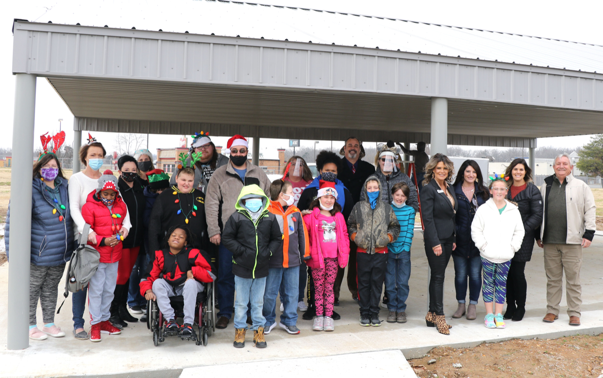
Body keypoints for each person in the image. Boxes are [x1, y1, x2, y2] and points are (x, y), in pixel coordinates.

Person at [5, 143, 74, 340]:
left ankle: (49, 323)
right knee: (32, 290)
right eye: (46, 167)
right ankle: (30, 325)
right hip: (39, 253)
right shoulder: (30, 189)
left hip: (60, 252)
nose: (50, 170)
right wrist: (13, 254)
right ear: (39, 168)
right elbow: (13, 223)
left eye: (54, 166)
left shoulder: (65, 187)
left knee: (51, 288)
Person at [205, 134, 271, 330]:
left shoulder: (258, 173)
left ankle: (250, 313)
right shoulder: (219, 174)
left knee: (252, 275)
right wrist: (214, 230)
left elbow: (268, 200)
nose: (238, 154)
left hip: (254, 235)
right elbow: (211, 204)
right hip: (228, 234)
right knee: (226, 274)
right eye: (235, 151)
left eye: (242, 151)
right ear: (229, 152)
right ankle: (225, 312)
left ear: (247, 152)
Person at [68, 134, 131, 340]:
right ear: (85, 157)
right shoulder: (77, 179)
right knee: (84, 283)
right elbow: (75, 209)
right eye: (93, 154)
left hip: (112, 245)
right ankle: (80, 323)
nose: (97, 157)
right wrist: (91, 234)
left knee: (106, 286)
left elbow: (122, 208)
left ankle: (103, 320)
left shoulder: (108, 181)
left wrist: (125, 228)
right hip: (89, 240)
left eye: (100, 155)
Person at [537, 154, 596, 327]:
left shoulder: (581, 186)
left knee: (573, 280)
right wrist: (538, 235)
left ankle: (574, 313)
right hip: (550, 241)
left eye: (565, 164)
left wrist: (589, 233)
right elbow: (540, 211)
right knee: (553, 279)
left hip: (573, 240)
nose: (561, 166)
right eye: (558, 164)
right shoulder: (546, 185)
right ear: (554, 166)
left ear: (571, 167)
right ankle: (552, 310)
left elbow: (590, 209)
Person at [222, 184, 282, 349]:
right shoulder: (237, 217)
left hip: (261, 268)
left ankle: (258, 331)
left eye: (257, 199)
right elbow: (227, 238)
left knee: (257, 302)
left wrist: (268, 252)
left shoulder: (269, 217)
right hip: (241, 267)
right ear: (243, 200)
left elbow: (277, 238)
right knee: (241, 302)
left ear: (263, 200)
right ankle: (240, 331)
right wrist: (241, 251)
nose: (253, 202)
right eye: (249, 199)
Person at [297, 150, 353, 317]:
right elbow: (300, 213)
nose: (330, 173)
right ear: (320, 170)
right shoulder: (310, 190)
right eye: (327, 170)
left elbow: (348, 217)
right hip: (315, 247)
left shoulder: (344, 191)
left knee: (332, 279)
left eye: (334, 171)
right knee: (313, 278)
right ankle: (312, 306)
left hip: (333, 248)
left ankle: (330, 306)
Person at [471, 174, 525, 329]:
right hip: (488, 255)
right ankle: (489, 315)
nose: (499, 192)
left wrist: (513, 247)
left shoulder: (513, 210)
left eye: (502, 189)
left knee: (501, 284)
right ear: (491, 190)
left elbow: (519, 231)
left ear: (506, 191)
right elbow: (476, 230)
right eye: (496, 189)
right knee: (488, 284)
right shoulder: (483, 209)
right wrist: (483, 246)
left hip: (506, 256)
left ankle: (498, 315)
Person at [141, 226, 215, 337]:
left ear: (185, 242)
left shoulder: (194, 253)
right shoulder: (160, 255)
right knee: (157, 283)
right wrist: (147, 290)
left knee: (190, 283)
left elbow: (212, 274)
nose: (176, 238)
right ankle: (170, 320)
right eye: (173, 236)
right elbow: (148, 276)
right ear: (168, 239)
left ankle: (188, 323)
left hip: (190, 287)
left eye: (181, 237)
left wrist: (194, 272)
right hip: (170, 287)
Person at [81, 170, 128, 342]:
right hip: (97, 256)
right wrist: (102, 241)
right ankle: (95, 324)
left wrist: (121, 235)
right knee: (96, 290)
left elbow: (124, 225)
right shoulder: (89, 207)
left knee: (109, 290)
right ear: (99, 191)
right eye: (105, 193)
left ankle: (105, 320)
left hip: (114, 255)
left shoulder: (121, 205)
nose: (108, 196)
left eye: (112, 194)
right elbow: (86, 232)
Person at [348, 175, 400, 327]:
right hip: (363, 252)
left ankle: (374, 312)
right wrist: (355, 236)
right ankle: (364, 312)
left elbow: (395, 226)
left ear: (380, 189)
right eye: (369, 188)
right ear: (365, 189)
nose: (372, 190)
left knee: (377, 283)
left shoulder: (386, 208)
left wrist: (388, 237)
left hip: (381, 252)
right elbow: (350, 223)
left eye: (375, 188)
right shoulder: (358, 207)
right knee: (363, 283)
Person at [263, 179, 309, 335]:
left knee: (292, 293)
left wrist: (305, 254)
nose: (293, 195)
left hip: (293, 261)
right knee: (269, 293)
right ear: (281, 194)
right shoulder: (267, 211)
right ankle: (268, 320)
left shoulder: (295, 211)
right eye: (290, 192)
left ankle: (289, 321)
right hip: (272, 262)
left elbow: (302, 235)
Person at [303, 180, 350, 332]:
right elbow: (304, 234)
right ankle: (319, 316)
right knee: (318, 287)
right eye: (325, 197)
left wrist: (345, 252)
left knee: (329, 288)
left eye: (332, 197)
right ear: (319, 198)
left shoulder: (339, 217)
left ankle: (328, 317)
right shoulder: (311, 217)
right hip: (318, 259)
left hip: (333, 259)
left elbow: (344, 235)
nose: (328, 200)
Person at [420, 153, 457, 335]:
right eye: (438, 168)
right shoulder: (428, 189)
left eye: (445, 168)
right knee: (438, 277)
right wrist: (435, 242)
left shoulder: (448, 187)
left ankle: (430, 314)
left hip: (449, 239)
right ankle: (440, 317)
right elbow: (427, 218)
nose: (442, 171)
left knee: (438, 275)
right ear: (433, 170)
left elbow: (452, 214)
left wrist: (454, 238)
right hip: (436, 240)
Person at [108, 155, 146, 328]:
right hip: (122, 239)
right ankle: (113, 311)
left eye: (133, 170)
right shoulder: (116, 190)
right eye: (127, 170)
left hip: (137, 239)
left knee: (128, 273)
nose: (130, 173)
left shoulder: (140, 187)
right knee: (121, 275)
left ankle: (123, 309)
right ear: (119, 170)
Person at [503, 158, 543, 322]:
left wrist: (521, 230)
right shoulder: (504, 188)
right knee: (507, 273)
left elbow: (537, 215)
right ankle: (510, 306)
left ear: (525, 172)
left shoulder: (532, 190)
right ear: (511, 171)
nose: (518, 172)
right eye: (515, 169)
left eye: (521, 169)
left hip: (523, 237)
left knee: (517, 273)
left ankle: (521, 307)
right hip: (504, 237)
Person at [148, 155, 209, 261]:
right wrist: (155, 252)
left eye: (190, 181)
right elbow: (154, 225)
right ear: (176, 178)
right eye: (183, 180)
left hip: (196, 251)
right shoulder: (165, 196)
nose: (186, 184)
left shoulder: (201, 196)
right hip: (169, 252)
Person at [337, 137, 376, 303]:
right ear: (344, 149)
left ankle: (355, 291)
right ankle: (334, 294)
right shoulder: (336, 167)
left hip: (360, 219)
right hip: (338, 217)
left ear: (360, 150)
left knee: (356, 258)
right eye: (349, 145)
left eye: (356, 146)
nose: (353, 148)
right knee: (337, 256)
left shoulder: (369, 168)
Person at [130, 169, 171, 321]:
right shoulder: (147, 199)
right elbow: (146, 221)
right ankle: (150, 306)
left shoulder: (171, 197)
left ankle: (168, 305)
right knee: (152, 272)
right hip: (151, 243)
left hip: (171, 244)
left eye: (163, 189)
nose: (160, 192)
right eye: (157, 189)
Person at [451, 160, 489, 321]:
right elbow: (449, 215)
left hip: (478, 241)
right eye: (467, 171)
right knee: (460, 275)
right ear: (462, 173)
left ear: (477, 174)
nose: (471, 175)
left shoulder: (484, 192)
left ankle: (472, 304)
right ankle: (461, 304)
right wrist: (452, 235)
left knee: (474, 274)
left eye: (474, 172)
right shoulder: (453, 190)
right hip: (458, 239)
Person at [280, 156, 313, 311]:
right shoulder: (281, 183)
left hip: (303, 229)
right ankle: (284, 298)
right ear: (287, 166)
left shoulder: (310, 184)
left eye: (300, 164)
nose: (296, 167)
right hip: (284, 228)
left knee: (300, 266)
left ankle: (299, 298)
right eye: (292, 164)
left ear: (304, 167)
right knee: (282, 265)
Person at [385, 182, 415, 324]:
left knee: (402, 282)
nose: (399, 198)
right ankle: (392, 308)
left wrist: (406, 247)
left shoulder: (410, 211)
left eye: (403, 195)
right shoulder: (387, 209)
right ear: (392, 195)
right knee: (390, 282)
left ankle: (401, 309)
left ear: (406, 197)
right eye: (397, 195)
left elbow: (409, 231)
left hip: (403, 250)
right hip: (389, 249)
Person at [367, 142, 419, 212]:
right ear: (379, 161)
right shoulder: (371, 179)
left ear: (395, 162)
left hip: (400, 221)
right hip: (378, 221)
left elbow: (413, 200)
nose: (387, 162)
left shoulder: (404, 179)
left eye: (391, 160)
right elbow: (364, 202)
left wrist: (406, 215)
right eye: (384, 159)